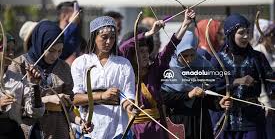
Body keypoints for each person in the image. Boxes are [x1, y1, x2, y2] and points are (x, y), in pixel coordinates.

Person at [119, 9, 201, 138]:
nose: (146, 55)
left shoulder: (154, 70)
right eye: (141, 52)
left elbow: (170, 48)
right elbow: (123, 47)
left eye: (147, 51)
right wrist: (150, 32)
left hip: (156, 129)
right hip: (131, 130)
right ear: (132, 55)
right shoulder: (125, 73)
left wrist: (185, 23)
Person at [71, 16, 136, 139]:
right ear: (94, 37)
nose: (108, 42)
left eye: (112, 38)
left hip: (118, 127)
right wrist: (101, 96)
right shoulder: (80, 62)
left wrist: (131, 106)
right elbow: (74, 98)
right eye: (104, 37)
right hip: (90, 127)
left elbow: (128, 96)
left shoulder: (123, 64)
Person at [210, 13, 274, 139]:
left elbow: (270, 81)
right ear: (230, 34)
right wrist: (237, 81)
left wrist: (272, 90)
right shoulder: (217, 59)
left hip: (252, 120)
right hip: (225, 120)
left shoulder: (257, 57)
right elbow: (211, 86)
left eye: (248, 32)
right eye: (241, 33)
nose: (246, 36)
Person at [8, 21, 75, 138]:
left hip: (58, 131)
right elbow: (12, 106)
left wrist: (79, 120)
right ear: (40, 44)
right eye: (51, 50)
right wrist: (48, 99)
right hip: (29, 131)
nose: (55, 56)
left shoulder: (63, 67)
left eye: (60, 51)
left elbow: (69, 105)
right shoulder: (18, 65)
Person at [160, 31, 230, 139]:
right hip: (179, 123)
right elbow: (163, 98)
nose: (189, 60)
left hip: (202, 123)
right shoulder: (168, 68)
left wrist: (219, 103)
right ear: (176, 52)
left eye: (192, 54)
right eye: (184, 55)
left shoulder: (203, 65)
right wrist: (188, 94)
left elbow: (209, 98)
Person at [0, 33, 43, 139]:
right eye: (6, 50)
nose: (11, 54)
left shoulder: (18, 79)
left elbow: (35, 113)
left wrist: (34, 85)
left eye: (12, 50)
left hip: (14, 133)